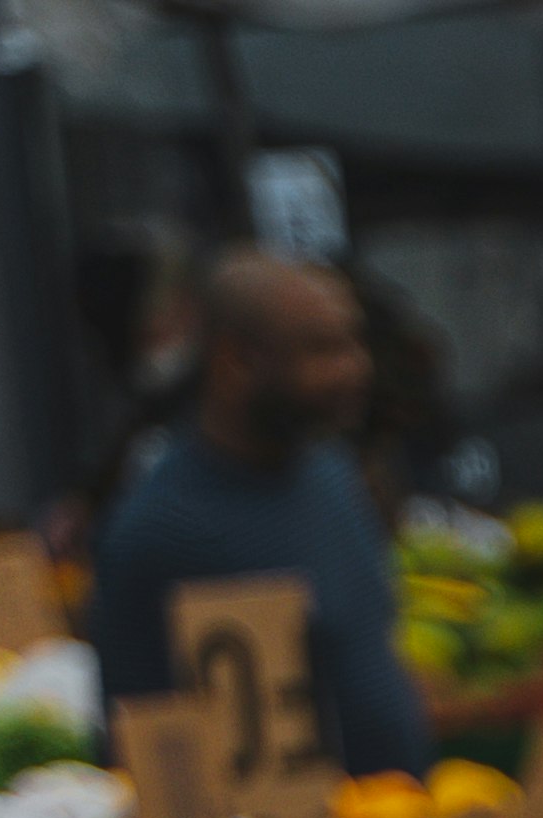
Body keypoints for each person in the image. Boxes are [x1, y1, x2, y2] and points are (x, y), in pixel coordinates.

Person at [84, 250, 428, 777]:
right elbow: (141, 750)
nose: (355, 367)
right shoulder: (160, 530)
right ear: (234, 361)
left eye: (353, 342)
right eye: (322, 349)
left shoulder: (335, 478)